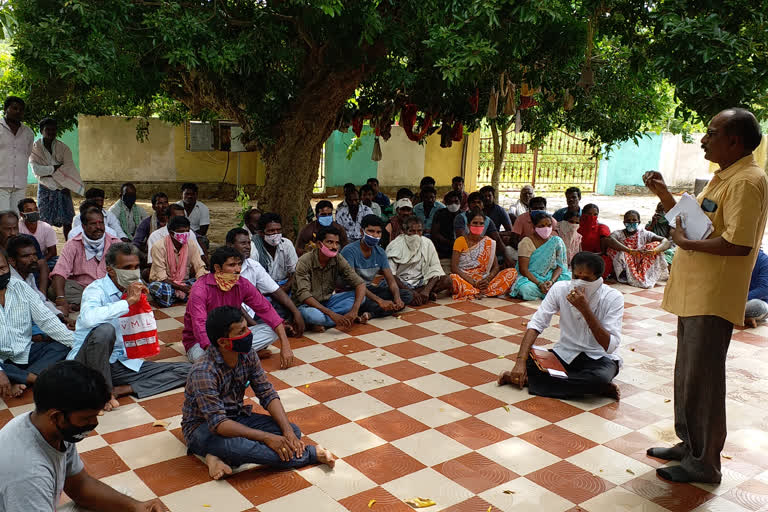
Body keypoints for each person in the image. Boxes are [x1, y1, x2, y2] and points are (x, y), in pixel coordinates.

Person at [642, 107, 768, 484]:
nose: (703, 139)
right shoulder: (724, 177)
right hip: (694, 293)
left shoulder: (747, 181)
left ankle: (706, 462)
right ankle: (690, 444)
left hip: (713, 296)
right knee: (688, 375)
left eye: (711, 133)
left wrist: (685, 242)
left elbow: (739, 244)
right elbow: (698, 222)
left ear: (734, 140)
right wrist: (664, 195)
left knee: (704, 380)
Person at [183, 306, 336, 481]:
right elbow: (219, 424)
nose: (249, 333)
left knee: (293, 430)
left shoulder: (247, 354)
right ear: (223, 342)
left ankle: (215, 456)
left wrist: (287, 432)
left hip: (235, 417)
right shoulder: (203, 371)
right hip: (202, 428)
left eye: (247, 327)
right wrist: (267, 438)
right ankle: (309, 454)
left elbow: (266, 392)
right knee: (241, 446)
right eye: (241, 331)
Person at [0, 361, 163, 511]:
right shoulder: (28, 472)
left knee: (123, 500)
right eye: (86, 418)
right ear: (56, 417)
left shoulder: (51, 427)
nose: (94, 424)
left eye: (95, 415)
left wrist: (137, 507)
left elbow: (80, 486)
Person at [67, 243, 191, 410]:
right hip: (88, 363)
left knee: (190, 370)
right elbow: (89, 319)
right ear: (111, 270)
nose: (133, 272)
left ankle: (124, 389)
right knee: (105, 331)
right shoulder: (95, 290)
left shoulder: (134, 285)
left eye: (136, 267)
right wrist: (127, 302)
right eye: (127, 268)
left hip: (119, 363)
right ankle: (104, 393)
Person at [498, 252, 623, 400]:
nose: (579, 283)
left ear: (598, 280)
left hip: (599, 358)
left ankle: (532, 381)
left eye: (586, 279)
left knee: (599, 378)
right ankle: (591, 388)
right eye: (576, 277)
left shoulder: (613, 298)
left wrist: (585, 310)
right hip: (565, 353)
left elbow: (609, 345)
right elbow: (537, 323)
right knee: (530, 361)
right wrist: (520, 362)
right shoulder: (560, 288)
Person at [183, 246, 295, 366]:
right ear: (217, 268)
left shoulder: (242, 284)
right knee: (204, 361)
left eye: (239, 264)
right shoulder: (200, 289)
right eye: (231, 265)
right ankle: (242, 355)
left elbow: (267, 310)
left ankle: (235, 355)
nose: (237, 269)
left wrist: (286, 345)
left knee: (273, 330)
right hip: (201, 343)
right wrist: (214, 353)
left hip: (233, 337)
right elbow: (199, 326)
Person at [0, 248, 74, 399]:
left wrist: (78, 343)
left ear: (8, 265)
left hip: (25, 353)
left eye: (2, 268)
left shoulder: (20, 287)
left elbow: (47, 320)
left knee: (62, 345)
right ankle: (37, 379)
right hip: (1, 360)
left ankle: (20, 379)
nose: (0, 273)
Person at [226, 228, 305, 337]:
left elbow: (275, 290)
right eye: (243, 243)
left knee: (284, 306)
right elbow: (236, 304)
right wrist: (256, 327)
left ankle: (277, 326)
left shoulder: (253, 265)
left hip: (254, 312)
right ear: (230, 245)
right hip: (236, 315)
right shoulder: (224, 268)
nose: (248, 247)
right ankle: (272, 329)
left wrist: (296, 313)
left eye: (249, 243)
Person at [292, 225, 367, 330]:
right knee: (313, 315)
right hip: (307, 305)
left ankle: (324, 322)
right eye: (330, 242)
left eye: (337, 243)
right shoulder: (305, 261)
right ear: (319, 244)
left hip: (328, 301)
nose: (334, 247)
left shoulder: (337, 258)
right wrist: (332, 314)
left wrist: (354, 310)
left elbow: (360, 283)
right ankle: (335, 320)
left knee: (361, 297)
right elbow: (304, 296)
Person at [341, 214, 412, 319]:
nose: (375, 235)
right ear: (362, 231)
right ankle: (372, 311)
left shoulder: (380, 252)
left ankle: (370, 314)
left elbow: (391, 280)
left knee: (407, 295)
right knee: (370, 303)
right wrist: (380, 301)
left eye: (378, 232)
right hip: (351, 292)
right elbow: (355, 284)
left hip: (369, 290)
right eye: (371, 231)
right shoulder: (349, 251)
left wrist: (397, 298)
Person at [51, 207, 120, 314]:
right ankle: (99, 303)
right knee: (54, 289)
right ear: (83, 226)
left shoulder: (115, 243)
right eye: (93, 224)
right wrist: (61, 299)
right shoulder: (73, 244)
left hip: (110, 288)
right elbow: (60, 272)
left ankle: (84, 304)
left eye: (101, 223)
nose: (98, 227)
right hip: (82, 290)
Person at [8, 235, 74, 342]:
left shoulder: (28, 274)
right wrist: (50, 333)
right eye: (26, 256)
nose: (33, 259)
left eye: (34, 254)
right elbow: (21, 323)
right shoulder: (11, 283)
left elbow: (41, 300)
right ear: (12, 261)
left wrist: (62, 318)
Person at [29, 117, 83, 240]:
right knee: (44, 223)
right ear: (42, 130)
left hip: (62, 188)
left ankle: (70, 247)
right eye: (48, 129)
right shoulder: (34, 148)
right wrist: (55, 168)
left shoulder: (63, 148)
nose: (51, 132)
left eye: (54, 130)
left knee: (68, 221)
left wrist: (47, 170)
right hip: (45, 188)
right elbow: (36, 170)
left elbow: (68, 169)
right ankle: (47, 250)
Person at [451, 209, 518, 300]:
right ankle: (482, 290)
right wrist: (473, 282)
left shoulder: (488, 242)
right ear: (468, 225)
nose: (478, 226)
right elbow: (454, 267)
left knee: (512, 272)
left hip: (484, 278)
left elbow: (496, 267)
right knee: (453, 278)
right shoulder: (460, 241)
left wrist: (487, 280)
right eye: (475, 223)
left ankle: (474, 291)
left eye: (481, 223)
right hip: (465, 278)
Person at [388, 216, 453, 304]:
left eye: (419, 231)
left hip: (421, 283)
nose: (416, 235)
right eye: (412, 231)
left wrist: (426, 290)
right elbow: (390, 274)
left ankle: (419, 295)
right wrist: (410, 291)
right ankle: (414, 296)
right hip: (401, 283)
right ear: (404, 231)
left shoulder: (427, 243)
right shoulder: (395, 245)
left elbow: (436, 269)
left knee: (447, 280)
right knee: (389, 288)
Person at [148, 215, 207, 307]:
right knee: (157, 288)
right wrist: (183, 288)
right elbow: (162, 277)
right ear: (171, 233)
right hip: (165, 283)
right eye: (181, 232)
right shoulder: (159, 247)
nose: (185, 234)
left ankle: (175, 297)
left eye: (187, 231)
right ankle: (184, 296)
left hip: (185, 282)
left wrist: (200, 281)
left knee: (205, 282)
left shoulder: (191, 244)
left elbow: (199, 266)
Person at [510, 211, 571, 300]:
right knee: (526, 289)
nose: (546, 229)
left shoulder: (556, 241)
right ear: (534, 227)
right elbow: (523, 270)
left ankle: (549, 290)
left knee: (569, 280)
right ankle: (551, 293)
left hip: (550, 276)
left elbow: (560, 266)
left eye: (549, 225)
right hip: (531, 278)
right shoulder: (526, 242)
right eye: (541, 226)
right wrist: (539, 284)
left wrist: (551, 281)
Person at [606, 210, 671, 289]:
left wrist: (654, 251)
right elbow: (609, 240)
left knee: (655, 245)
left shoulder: (644, 233)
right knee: (621, 253)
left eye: (634, 220)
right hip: (626, 259)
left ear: (639, 222)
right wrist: (629, 250)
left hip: (639, 261)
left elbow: (665, 241)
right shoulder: (619, 233)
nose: (631, 222)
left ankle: (646, 274)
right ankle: (624, 275)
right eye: (628, 220)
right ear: (624, 222)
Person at [0, 209, 49, 292]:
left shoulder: (28, 240)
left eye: (15, 228)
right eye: (7, 229)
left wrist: (42, 293)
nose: (12, 233)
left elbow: (42, 264)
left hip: (32, 285)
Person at [0, 96, 34, 212]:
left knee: (15, 217)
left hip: (19, 183)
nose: (18, 112)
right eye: (14, 108)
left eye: (21, 109)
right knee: (3, 218)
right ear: (5, 109)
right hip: (1, 183)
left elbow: (27, 154)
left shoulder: (28, 132)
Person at [251, 213, 298, 292]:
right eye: (271, 231)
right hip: (262, 289)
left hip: (284, 285)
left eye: (279, 230)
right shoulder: (253, 249)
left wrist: (285, 287)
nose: (276, 234)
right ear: (261, 233)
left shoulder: (286, 244)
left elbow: (295, 272)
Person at [18, 198, 58, 267]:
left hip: (42, 259)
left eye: (35, 209)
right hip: (23, 260)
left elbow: (52, 252)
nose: (34, 212)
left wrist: (40, 262)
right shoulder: (17, 227)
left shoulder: (46, 227)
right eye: (29, 210)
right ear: (21, 214)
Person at [577, 203, 613, 279]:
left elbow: (603, 252)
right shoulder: (576, 226)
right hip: (578, 256)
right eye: (589, 214)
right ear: (583, 213)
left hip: (596, 256)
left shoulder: (602, 228)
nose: (592, 217)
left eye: (595, 214)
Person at [431, 190, 462, 259]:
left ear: (460, 202)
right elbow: (435, 233)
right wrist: (450, 243)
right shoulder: (440, 214)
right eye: (450, 202)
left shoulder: (463, 215)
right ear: (446, 203)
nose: (453, 204)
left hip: (460, 248)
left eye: (456, 202)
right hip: (443, 248)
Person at [645, 202, 676, 266]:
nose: (662, 213)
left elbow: (670, 241)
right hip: (654, 246)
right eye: (659, 211)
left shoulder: (672, 224)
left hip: (667, 247)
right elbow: (645, 234)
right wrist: (653, 224)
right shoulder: (653, 222)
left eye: (664, 211)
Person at [746, 249, 768, 328]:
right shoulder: (736, 258)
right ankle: (744, 318)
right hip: (735, 301)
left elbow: (764, 289)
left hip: (754, 302)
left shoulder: (764, 260)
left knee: (757, 306)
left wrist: (740, 300)